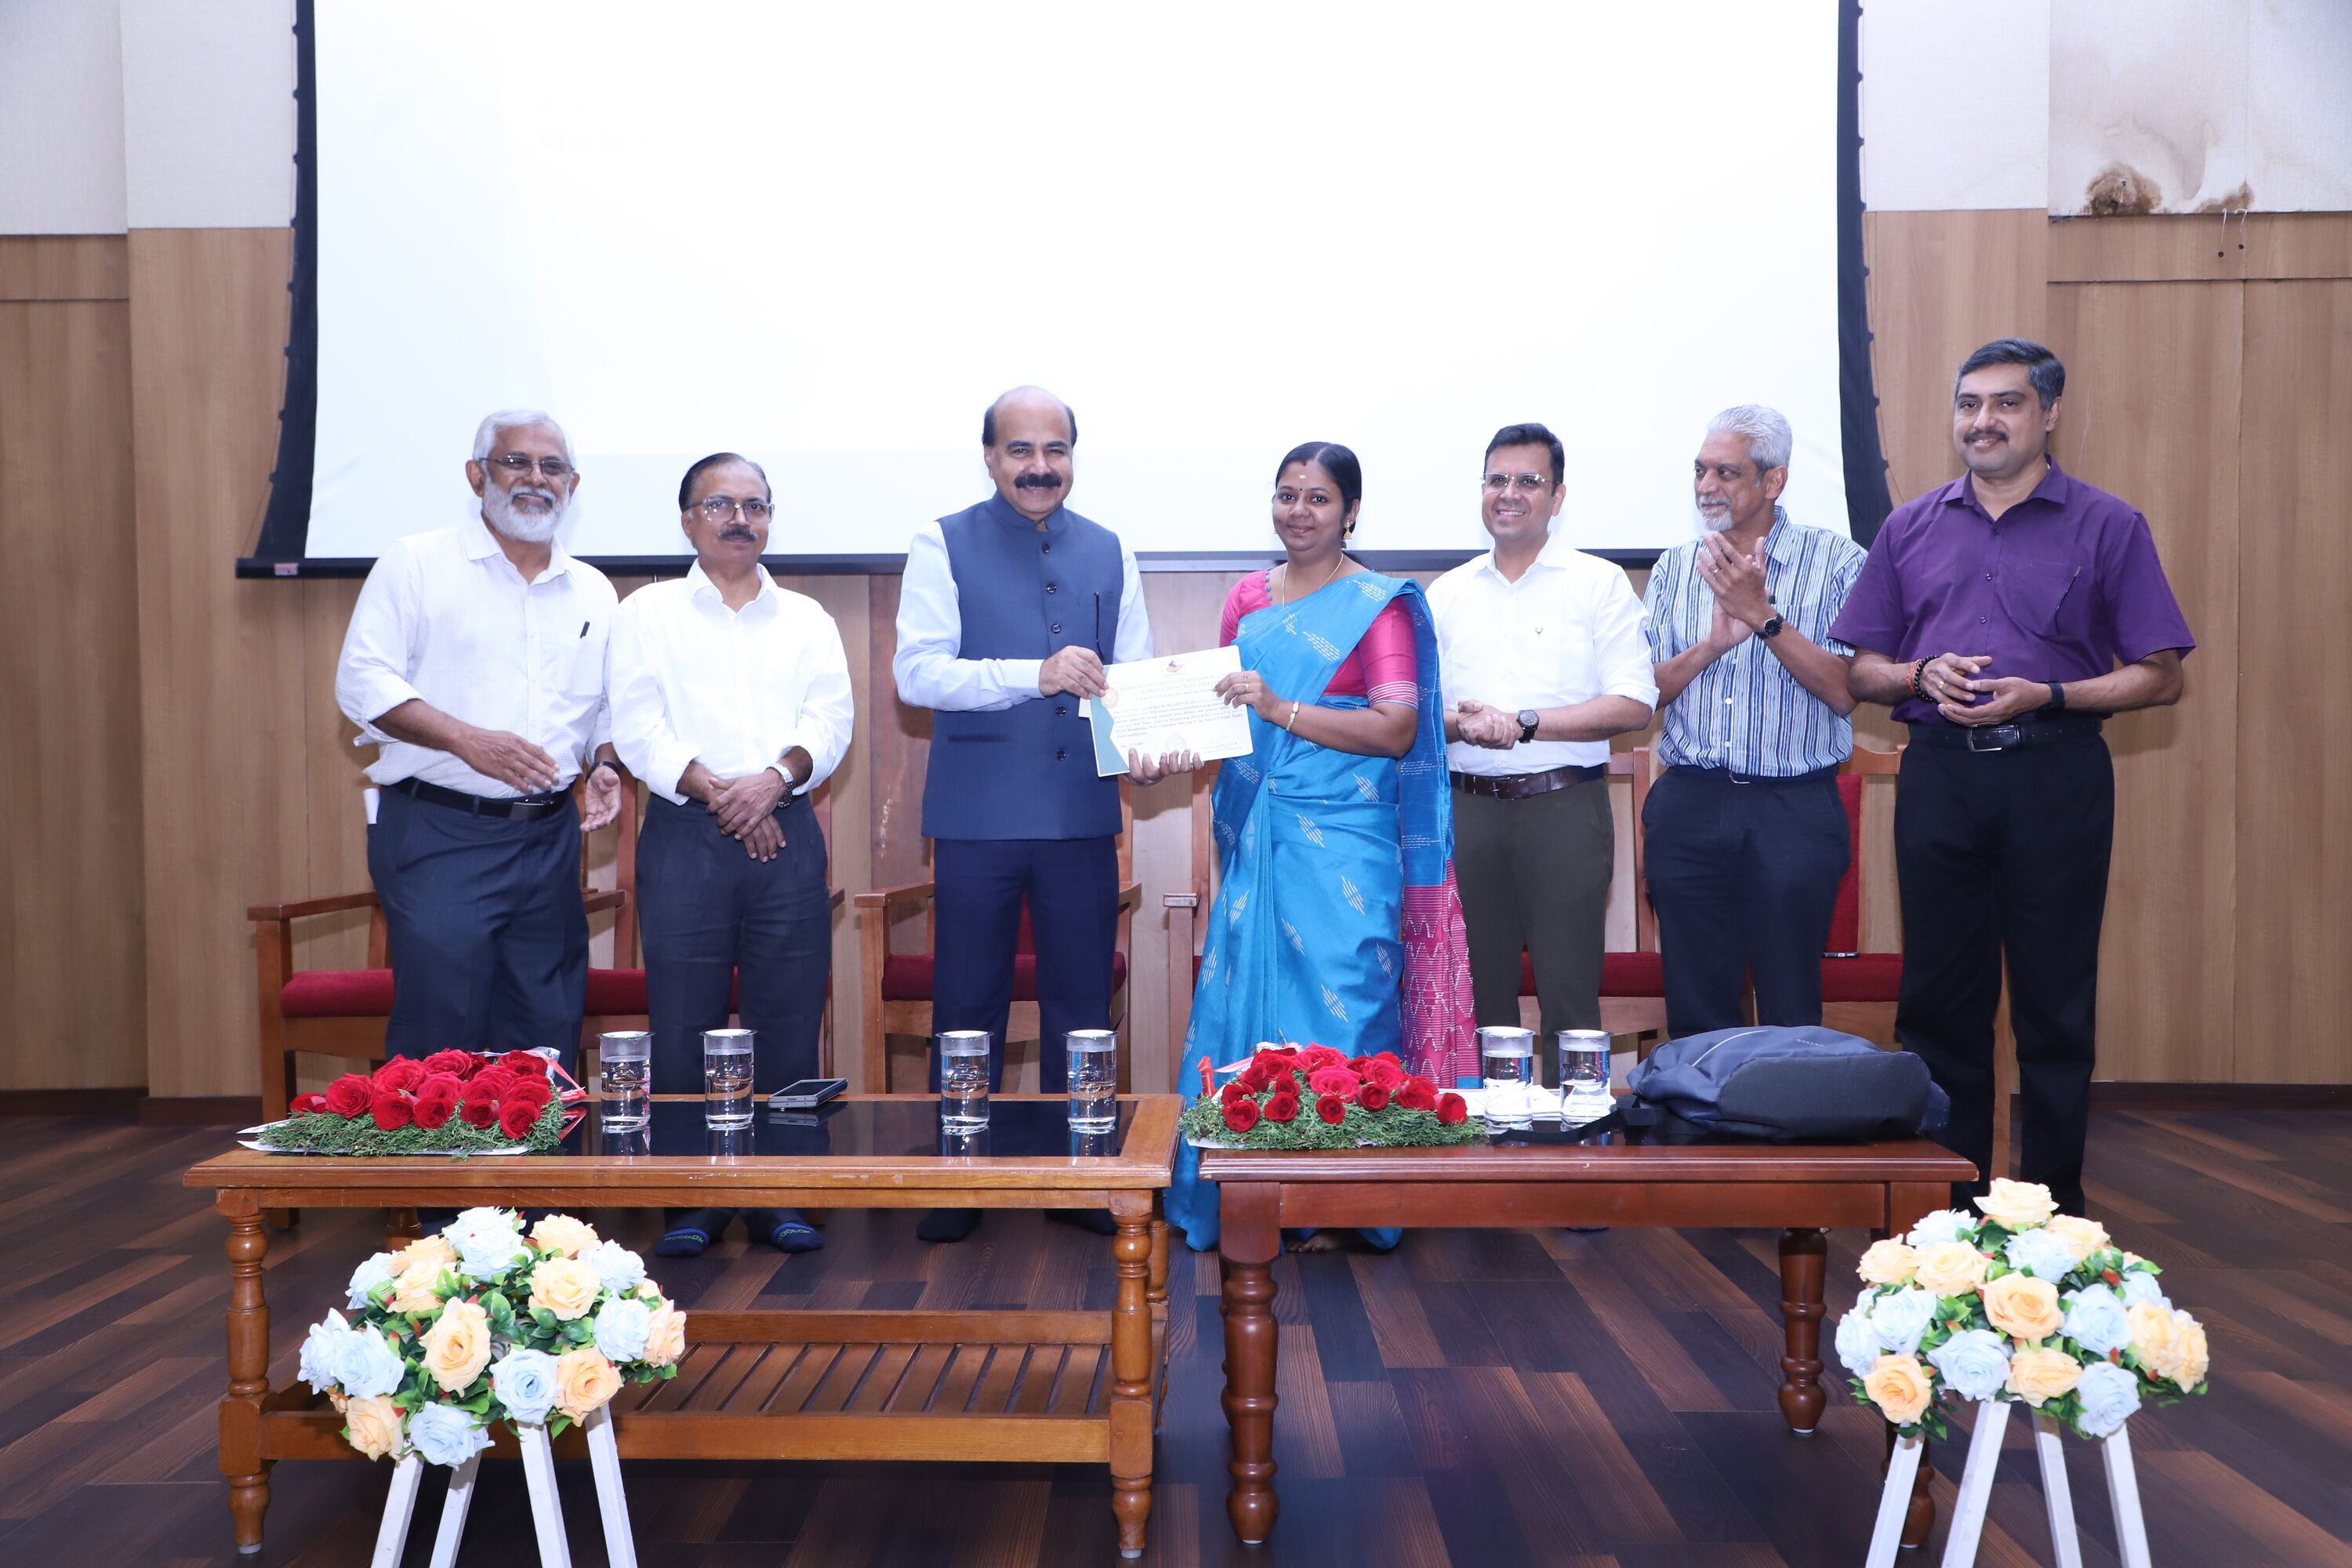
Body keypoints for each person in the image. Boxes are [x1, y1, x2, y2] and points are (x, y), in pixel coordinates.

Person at [1833, 339, 2193, 1217]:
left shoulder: (2109, 524)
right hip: (1940, 779)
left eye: (2006, 403)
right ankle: (1947, 1219)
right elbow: (1862, 671)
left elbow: (2161, 675)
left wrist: (2053, 694)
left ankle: (2053, 1217)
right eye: (1969, 404)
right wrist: (1919, 674)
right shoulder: (1910, 526)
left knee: (2055, 1008)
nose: (1982, 421)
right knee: (1938, 1006)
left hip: (2056, 775)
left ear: (2049, 413)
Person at [1162, 441, 1475, 1254]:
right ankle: (1245, 1193)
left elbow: (1396, 727)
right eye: (1287, 494)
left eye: (1319, 498)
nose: (1298, 511)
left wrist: (1283, 708)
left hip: (1345, 837)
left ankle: (1342, 1203)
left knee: (1349, 997)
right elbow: (1221, 717)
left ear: (1351, 511)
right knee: (1246, 1005)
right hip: (1259, 829)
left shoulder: (1379, 605)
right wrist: (1163, 747)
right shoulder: (1246, 597)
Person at [894, 387, 1152, 1243]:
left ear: (1074, 456)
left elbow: (1135, 677)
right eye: (1020, 450)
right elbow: (916, 674)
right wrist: (1030, 674)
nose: (1040, 467)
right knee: (968, 1004)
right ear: (990, 456)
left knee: (1083, 1006)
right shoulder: (941, 540)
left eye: (1056, 450)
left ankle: (1079, 1175)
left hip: (1081, 814)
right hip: (977, 817)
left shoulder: (1112, 548)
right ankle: (961, 1176)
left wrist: (1151, 741)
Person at [608, 452, 854, 1258]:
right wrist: (724, 794)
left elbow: (830, 722)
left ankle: (784, 1193)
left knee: (790, 1018)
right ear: (688, 520)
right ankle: (694, 1197)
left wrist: (772, 782)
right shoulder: (646, 614)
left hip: (788, 830)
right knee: (686, 1020)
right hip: (687, 835)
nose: (739, 518)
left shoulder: (808, 618)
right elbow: (637, 726)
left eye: (755, 505)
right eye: (720, 504)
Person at [336, 409, 622, 1072]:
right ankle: (434, 1147)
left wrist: (605, 765)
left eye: (552, 467)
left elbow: (605, 707)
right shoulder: (417, 563)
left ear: (573, 485)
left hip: (550, 842)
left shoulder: (594, 591)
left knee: (544, 1038)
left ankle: (538, 1147)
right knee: (443, 1039)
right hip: (441, 833)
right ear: (476, 475)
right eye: (516, 462)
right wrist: (466, 741)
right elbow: (361, 681)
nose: (535, 479)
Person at [1642, 405, 1869, 1037]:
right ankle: (1701, 1103)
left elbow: (1846, 692)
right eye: (1700, 471)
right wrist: (1713, 645)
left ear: (1774, 481)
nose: (1706, 486)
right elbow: (1644, 695)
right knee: (1696, 1007)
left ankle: (1788, 1105)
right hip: (1689, 804)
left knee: (1790, 1004)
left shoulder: (1837, 561)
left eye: (1726, 472)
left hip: (1793, 809)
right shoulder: (1674, 567)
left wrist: (1762, 618)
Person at [1428, 423, 1655, 1047]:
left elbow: (1634, 702)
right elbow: (1416, 712)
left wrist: (1524, 724)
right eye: (1497, 480)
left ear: (1557, 497)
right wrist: (1468, 724)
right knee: (1479, 998)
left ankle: (1571, 1113)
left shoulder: (1598, 583)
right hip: (1467, 811)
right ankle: (1485, 1111)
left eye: (1528, 481)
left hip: (1564, 809)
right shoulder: (1446, 594)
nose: (1509, 493)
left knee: (1569, 994)